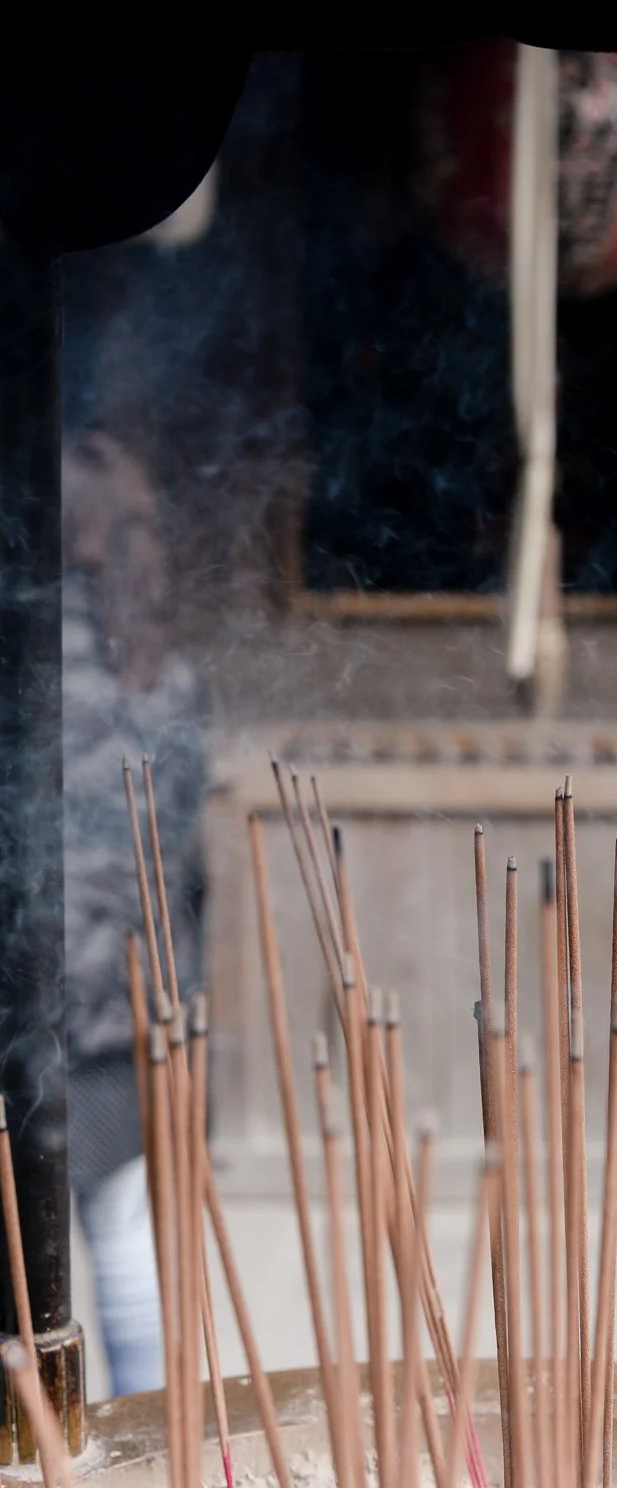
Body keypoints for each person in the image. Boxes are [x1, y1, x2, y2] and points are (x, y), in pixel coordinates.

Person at [62, 429, 207, 1396]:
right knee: (128, 1245)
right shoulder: (165, 671)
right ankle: (155, 1452)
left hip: (33, 1011)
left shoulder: (28, 663)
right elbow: (182, 839)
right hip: (135, 1002)